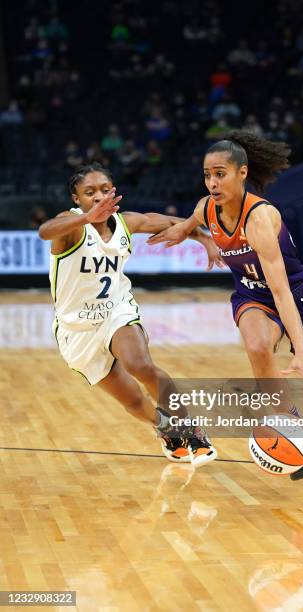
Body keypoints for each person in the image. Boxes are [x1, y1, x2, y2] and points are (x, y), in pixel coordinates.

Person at [148, 131, 303, 481]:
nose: (212, 182)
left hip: (298, 298)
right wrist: (196, 238)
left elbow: (282, 294)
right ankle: (295, 432)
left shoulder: (260, 219)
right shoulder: (206, 207)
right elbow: (192, 223)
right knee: (257, 345)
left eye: (220, 173)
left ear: (242, 173)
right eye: (207, 175)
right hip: (252, 296)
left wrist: (301, 356)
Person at [38, 162, 222, 466]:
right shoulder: (69, 226)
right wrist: (86, 218)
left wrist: (202, 238)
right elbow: (45, 231)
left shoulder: (127, 223)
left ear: (114, 192)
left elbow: (172, 222)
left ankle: (192, 429)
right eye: (89, 192)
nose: (98, 197)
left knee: (139, 364)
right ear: (76, 199)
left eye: (104, 190)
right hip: (76, 331)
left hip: (116, 311)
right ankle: (166, 429)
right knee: (133, 401)